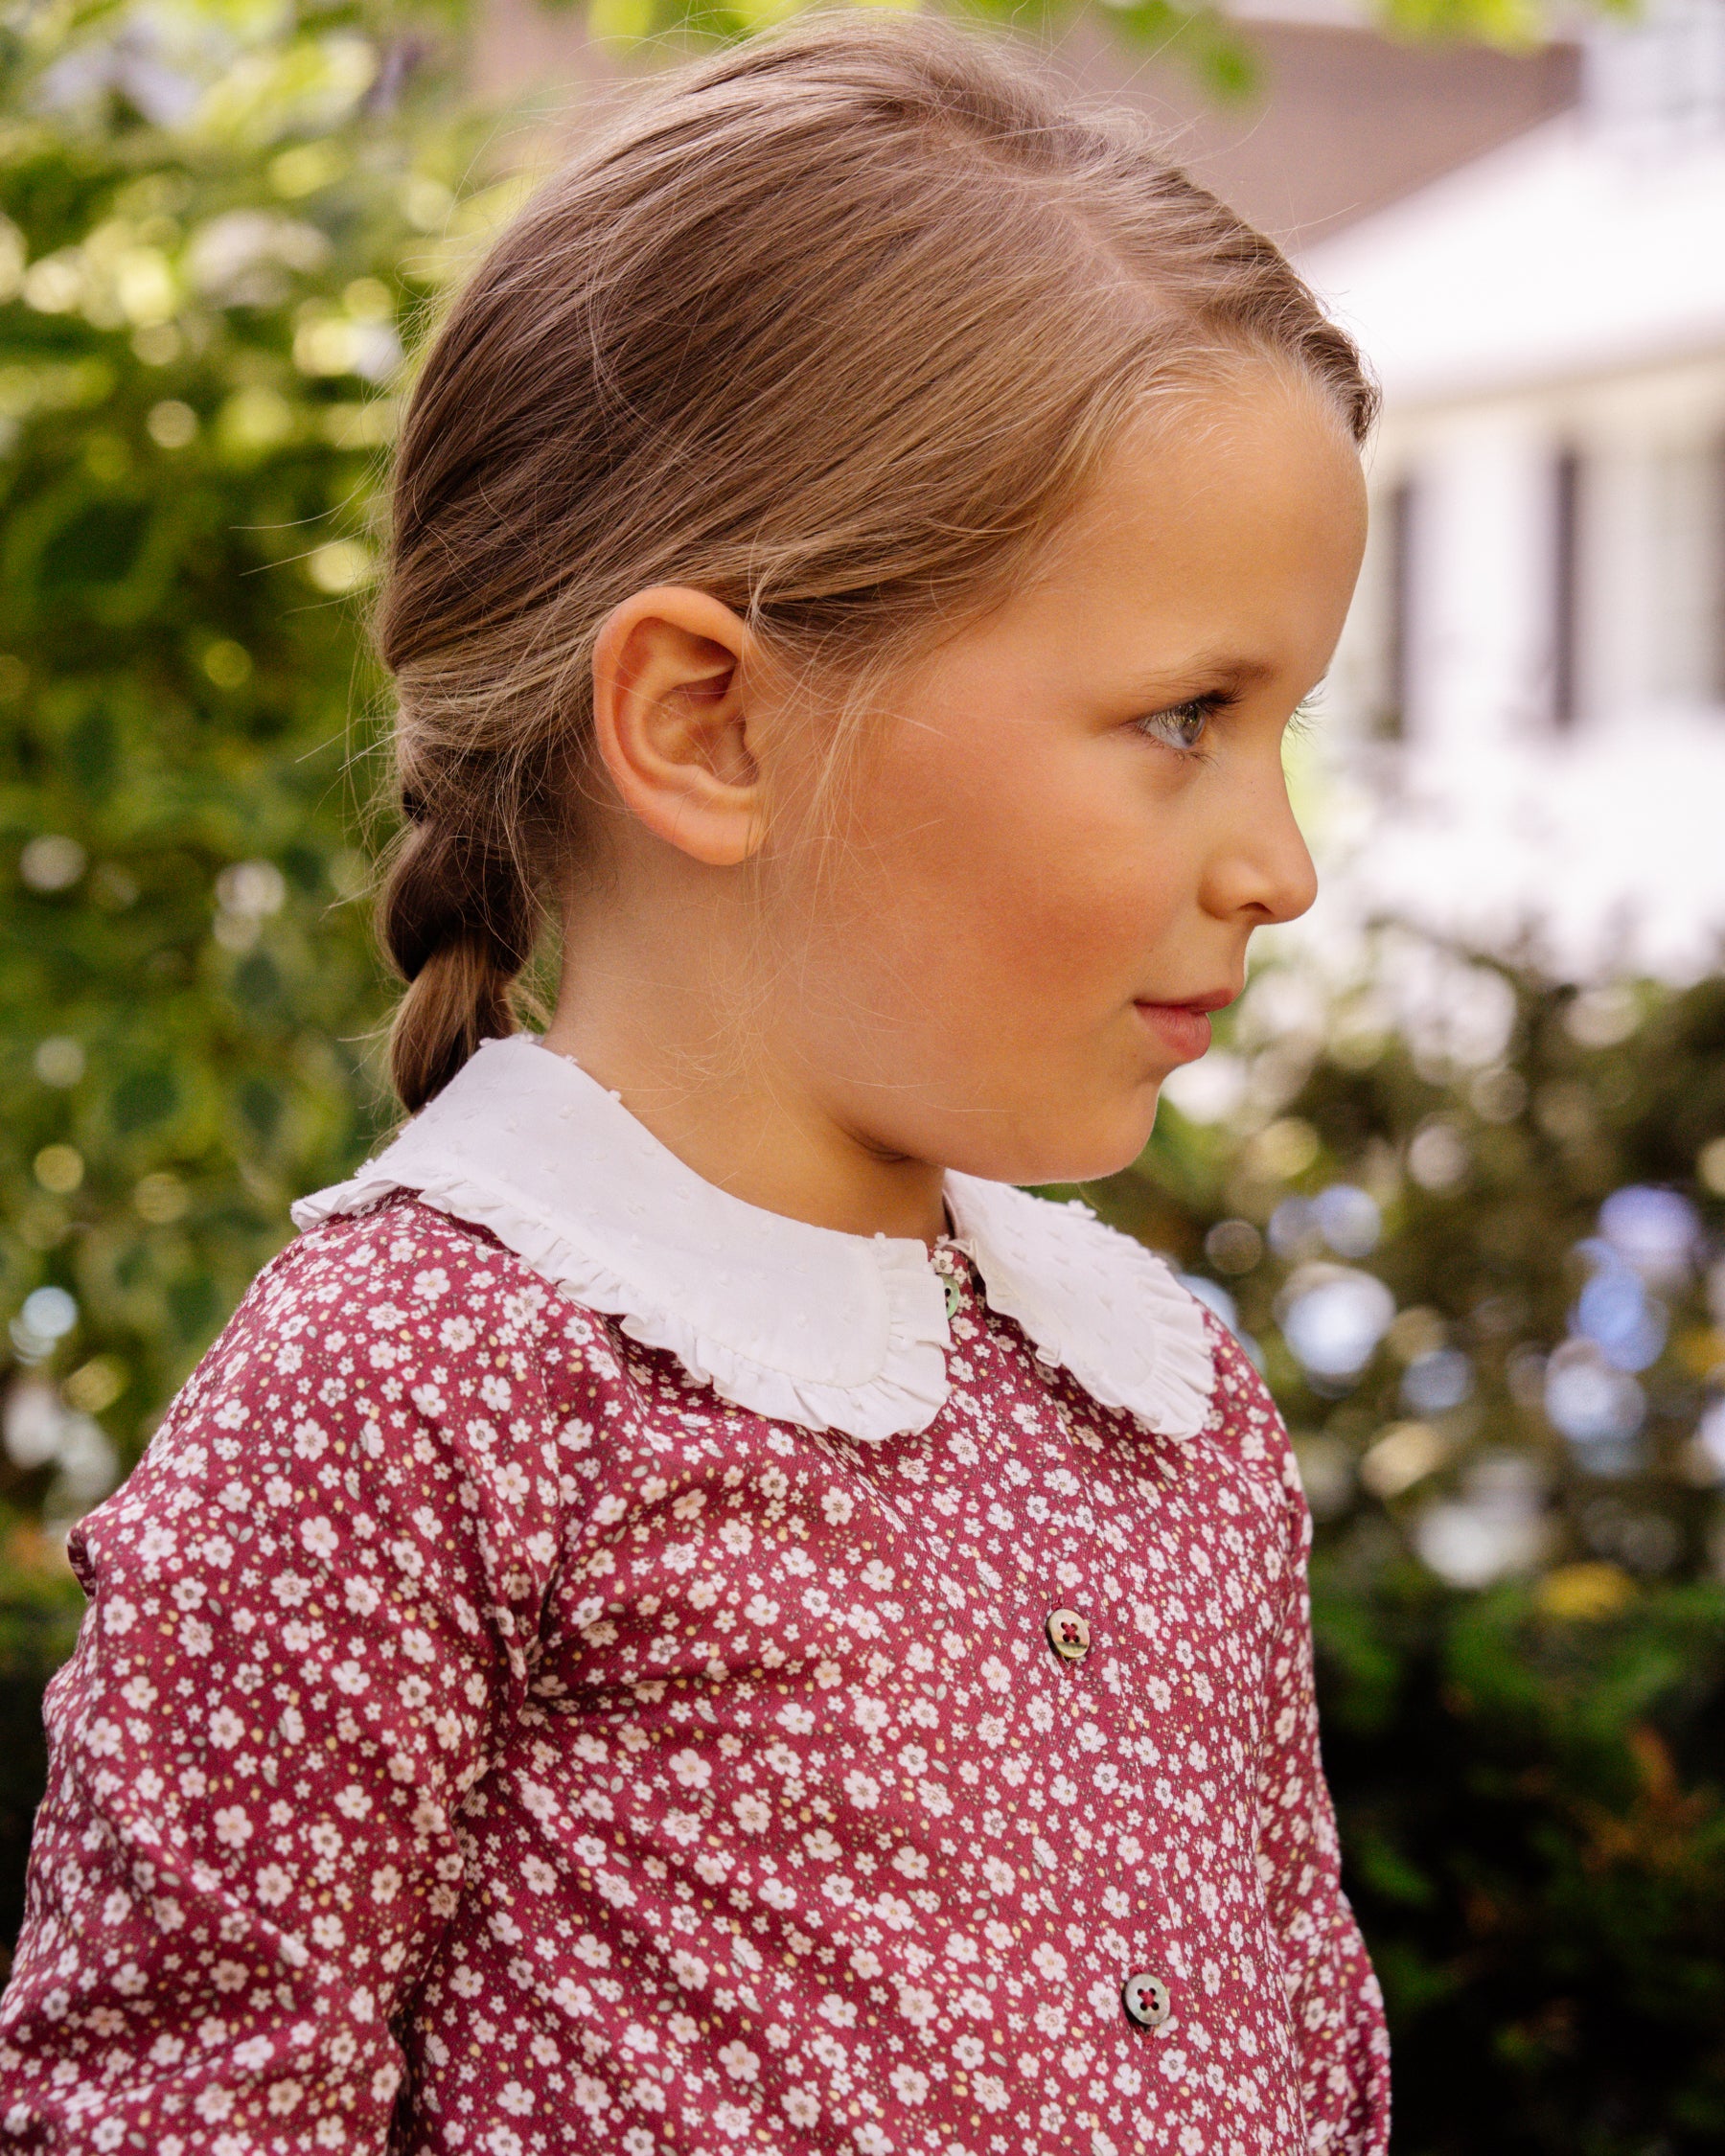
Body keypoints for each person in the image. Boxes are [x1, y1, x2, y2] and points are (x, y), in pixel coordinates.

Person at [0, 12, 1390, 2152]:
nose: (1279, 863)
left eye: (1283, 720)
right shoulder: (405, 1402)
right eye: (1188, 715)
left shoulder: (1161, 1414)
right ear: (709, 724)